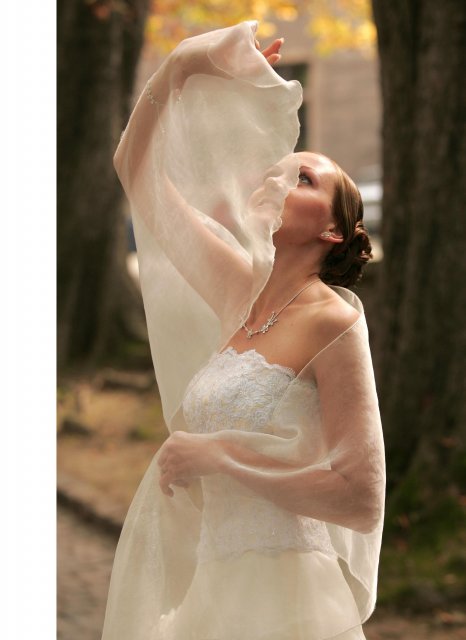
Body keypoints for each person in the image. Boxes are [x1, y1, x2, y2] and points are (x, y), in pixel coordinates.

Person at [101, 21, 385, 640]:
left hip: (291, 600)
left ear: (332, 230)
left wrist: (219, 459)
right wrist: (184, 65)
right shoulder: (237, 290)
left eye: (304, 179)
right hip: (213, 595)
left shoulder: (334, 323)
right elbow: (134, 168)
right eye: (279, 169)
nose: (280, 178)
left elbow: (359, 498)